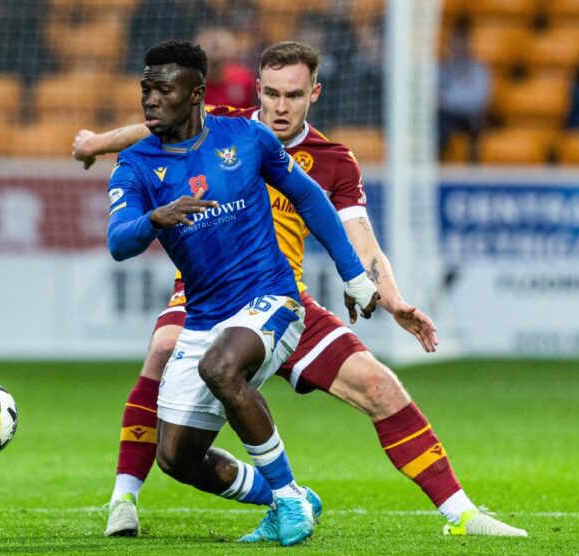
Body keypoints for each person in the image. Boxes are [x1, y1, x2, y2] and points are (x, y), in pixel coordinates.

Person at [76, 40, 529, 541]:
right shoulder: (228, 125)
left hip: (281, 298)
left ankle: (462, 512)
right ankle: (126, 498)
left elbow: (360, 234)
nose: (279, 107)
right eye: (270, 94)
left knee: (380, 387)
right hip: (204, 297)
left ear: (313, 93)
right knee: (166, 367)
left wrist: (391, 297)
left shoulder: (332, 161)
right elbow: (155, 126)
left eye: (292, 95)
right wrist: (98, 143)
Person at [106, 39, 380, 546]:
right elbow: (119, 242)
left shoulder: (247, 137)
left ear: (195, 94)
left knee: (220, 368)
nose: (149, 100)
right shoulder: (135, 165)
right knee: (176, 458)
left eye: (163, 90)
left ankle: (288, 500)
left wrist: (354, 275)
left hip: (272, 297)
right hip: (205, 316)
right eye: (145, 89)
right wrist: (153, 219)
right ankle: (289, 494)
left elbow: (308, 196)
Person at [437, 24, 491, 159]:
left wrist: (447, 102)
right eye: (454, 45)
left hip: (467, 116)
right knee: (436, 120)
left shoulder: (478, 71)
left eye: (460, 45)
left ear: (468, 47)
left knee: (473, 125)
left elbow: (479, 99)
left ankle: (471, 165)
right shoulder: (441, 69)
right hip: (444, 115)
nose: (457, 49)